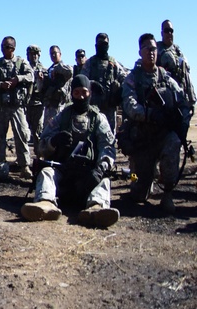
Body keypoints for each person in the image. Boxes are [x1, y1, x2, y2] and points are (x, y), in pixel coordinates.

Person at [22, 75, 119, 228]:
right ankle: (46, 204)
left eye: (84, 92)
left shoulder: (98, 119)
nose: (81, 96)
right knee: (47, 172)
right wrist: (53, 142)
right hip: (64, 175)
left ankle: (96, 209)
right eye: (76, 93)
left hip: (88, 179)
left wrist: (100, 168)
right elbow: (41, 147)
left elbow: (107, 146)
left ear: (90, 93)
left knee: (105, 181)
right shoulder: (61, 117)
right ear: (71, 94)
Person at [120, 33, 192, 215]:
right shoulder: (132, 78)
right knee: (138, 193)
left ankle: (167, 192)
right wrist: (150, 114)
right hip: (142, 138)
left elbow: (182, 99)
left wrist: (181, 120)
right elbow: (129, 105)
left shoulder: (165, 77)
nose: (152, 52)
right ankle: (133, 176)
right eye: (148, 49)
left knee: (174, 142)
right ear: (140, 52)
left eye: (154, 49)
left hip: (162, 135)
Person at [0, 36, 34, 177]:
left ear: (13, 48)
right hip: (1, 107)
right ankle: (0, 166)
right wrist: (1, 84)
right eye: (2, 46)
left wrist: (17, 79)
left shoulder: (21, 63)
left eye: (7, 46)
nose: (3, 49)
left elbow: (31, 76)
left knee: (22, 135)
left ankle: (24, 166)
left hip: (17, 106)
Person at [82, 33, 127, 133]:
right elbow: (82, 81)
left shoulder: (113, 63)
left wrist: (119, 90)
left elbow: (125, 78)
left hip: (109, 108)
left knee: (110, 136)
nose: (102, 46)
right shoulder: (90, 62)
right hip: (93, 108)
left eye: (105, 43)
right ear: (95, 46)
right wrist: (92, 83)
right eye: (100, 43)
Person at [157, 20, 195, 106]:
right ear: (162, 33)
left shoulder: (178, 51)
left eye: (171, 31)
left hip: (181, 97)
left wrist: (191, 98)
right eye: (167, 31)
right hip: (166, 97)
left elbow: (186, 75)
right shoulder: (156, 50)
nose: (169, 33)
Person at [42, 45, 74, 127]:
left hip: (61, 105)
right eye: (51, 54)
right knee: (48, 129)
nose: (53, 55)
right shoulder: (48, 70)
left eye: (55, 53)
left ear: (60, 54)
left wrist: (57, 69)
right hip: (49, 105)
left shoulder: (65, 67)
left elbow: (70, 72)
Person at [26, 45, 48, 148]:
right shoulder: (24, 68)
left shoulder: (43, 70)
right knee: (24, 132)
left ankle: (39, 156)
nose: (33, 56)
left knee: (38, 132)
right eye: (31, 54)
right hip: (26, 104)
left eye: (35, 54)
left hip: (38, 104)